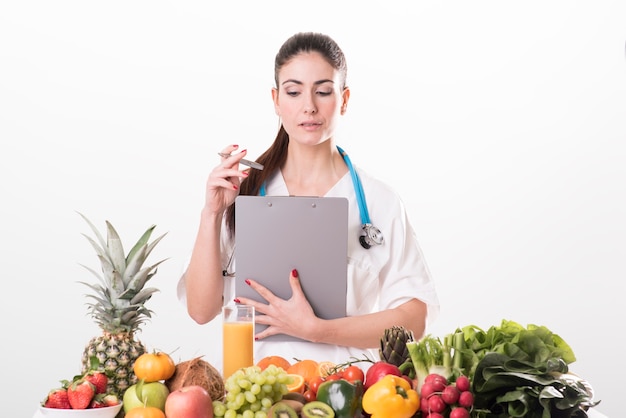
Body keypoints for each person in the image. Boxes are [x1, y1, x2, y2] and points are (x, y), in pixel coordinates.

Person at [178, 32, 439, 368]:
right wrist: (212, 213)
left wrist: (319, 330)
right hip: (254, 394)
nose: (309, 106)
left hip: (345, 391)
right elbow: (201, 311)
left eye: (323, 91)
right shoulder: (244, 192)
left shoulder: (379, 202)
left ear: (343, 100)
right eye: (294, 91)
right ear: (276, 100)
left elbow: (415, 320)